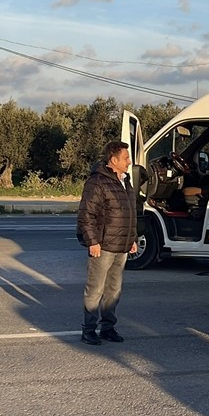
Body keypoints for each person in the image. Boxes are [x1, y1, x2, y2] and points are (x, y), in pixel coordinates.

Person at [77, 140, 139, 345]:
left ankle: (108, 327)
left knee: (114, 290)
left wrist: (132, 239)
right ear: (113, 159)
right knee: (95, 290)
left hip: (121, 245)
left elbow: (130, 214)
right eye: (126, 158)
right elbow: (86, 214)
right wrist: (92, 241)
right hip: (102, 246)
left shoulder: (125, 181)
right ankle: (88, 330)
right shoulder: (97, 182)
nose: (129, 162)